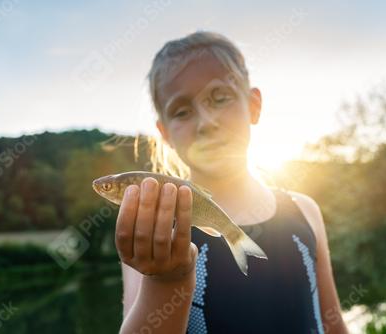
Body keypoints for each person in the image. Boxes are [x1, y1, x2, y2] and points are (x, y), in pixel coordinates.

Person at [116, 31, 349, 334]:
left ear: (254, 105)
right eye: (182, 111)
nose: (206, 122)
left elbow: (333, 324)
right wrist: (166, 282)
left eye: (220, 98)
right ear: (165, 133)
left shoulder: (305, 211)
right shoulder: (160, 228)